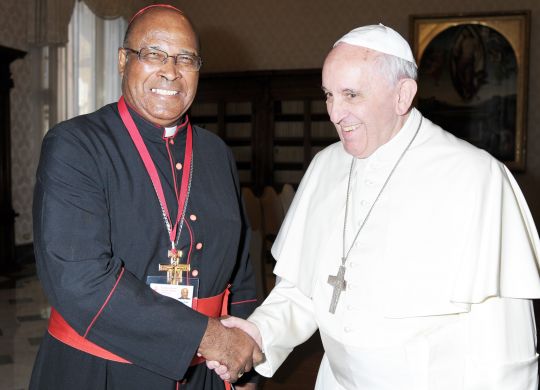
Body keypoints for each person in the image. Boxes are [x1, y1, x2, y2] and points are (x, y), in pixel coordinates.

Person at [209, 24, 540, 389]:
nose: (335, 113)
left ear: (403, 95)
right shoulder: (325, 166)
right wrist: (257, 334)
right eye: (329, 95)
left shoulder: (477, 177)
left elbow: (507, 348)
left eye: (351, 95)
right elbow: (303, 291)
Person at [30, 4, 262, 389]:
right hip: (102, 369)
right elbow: (80, 280)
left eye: (185, 58)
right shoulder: (75, 145)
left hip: (208, 372)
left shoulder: (216, 152)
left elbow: (241, 270)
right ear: (124, 60)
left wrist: (245, 368)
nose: (170, 71)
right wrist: (210, 336)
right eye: (153, 53)